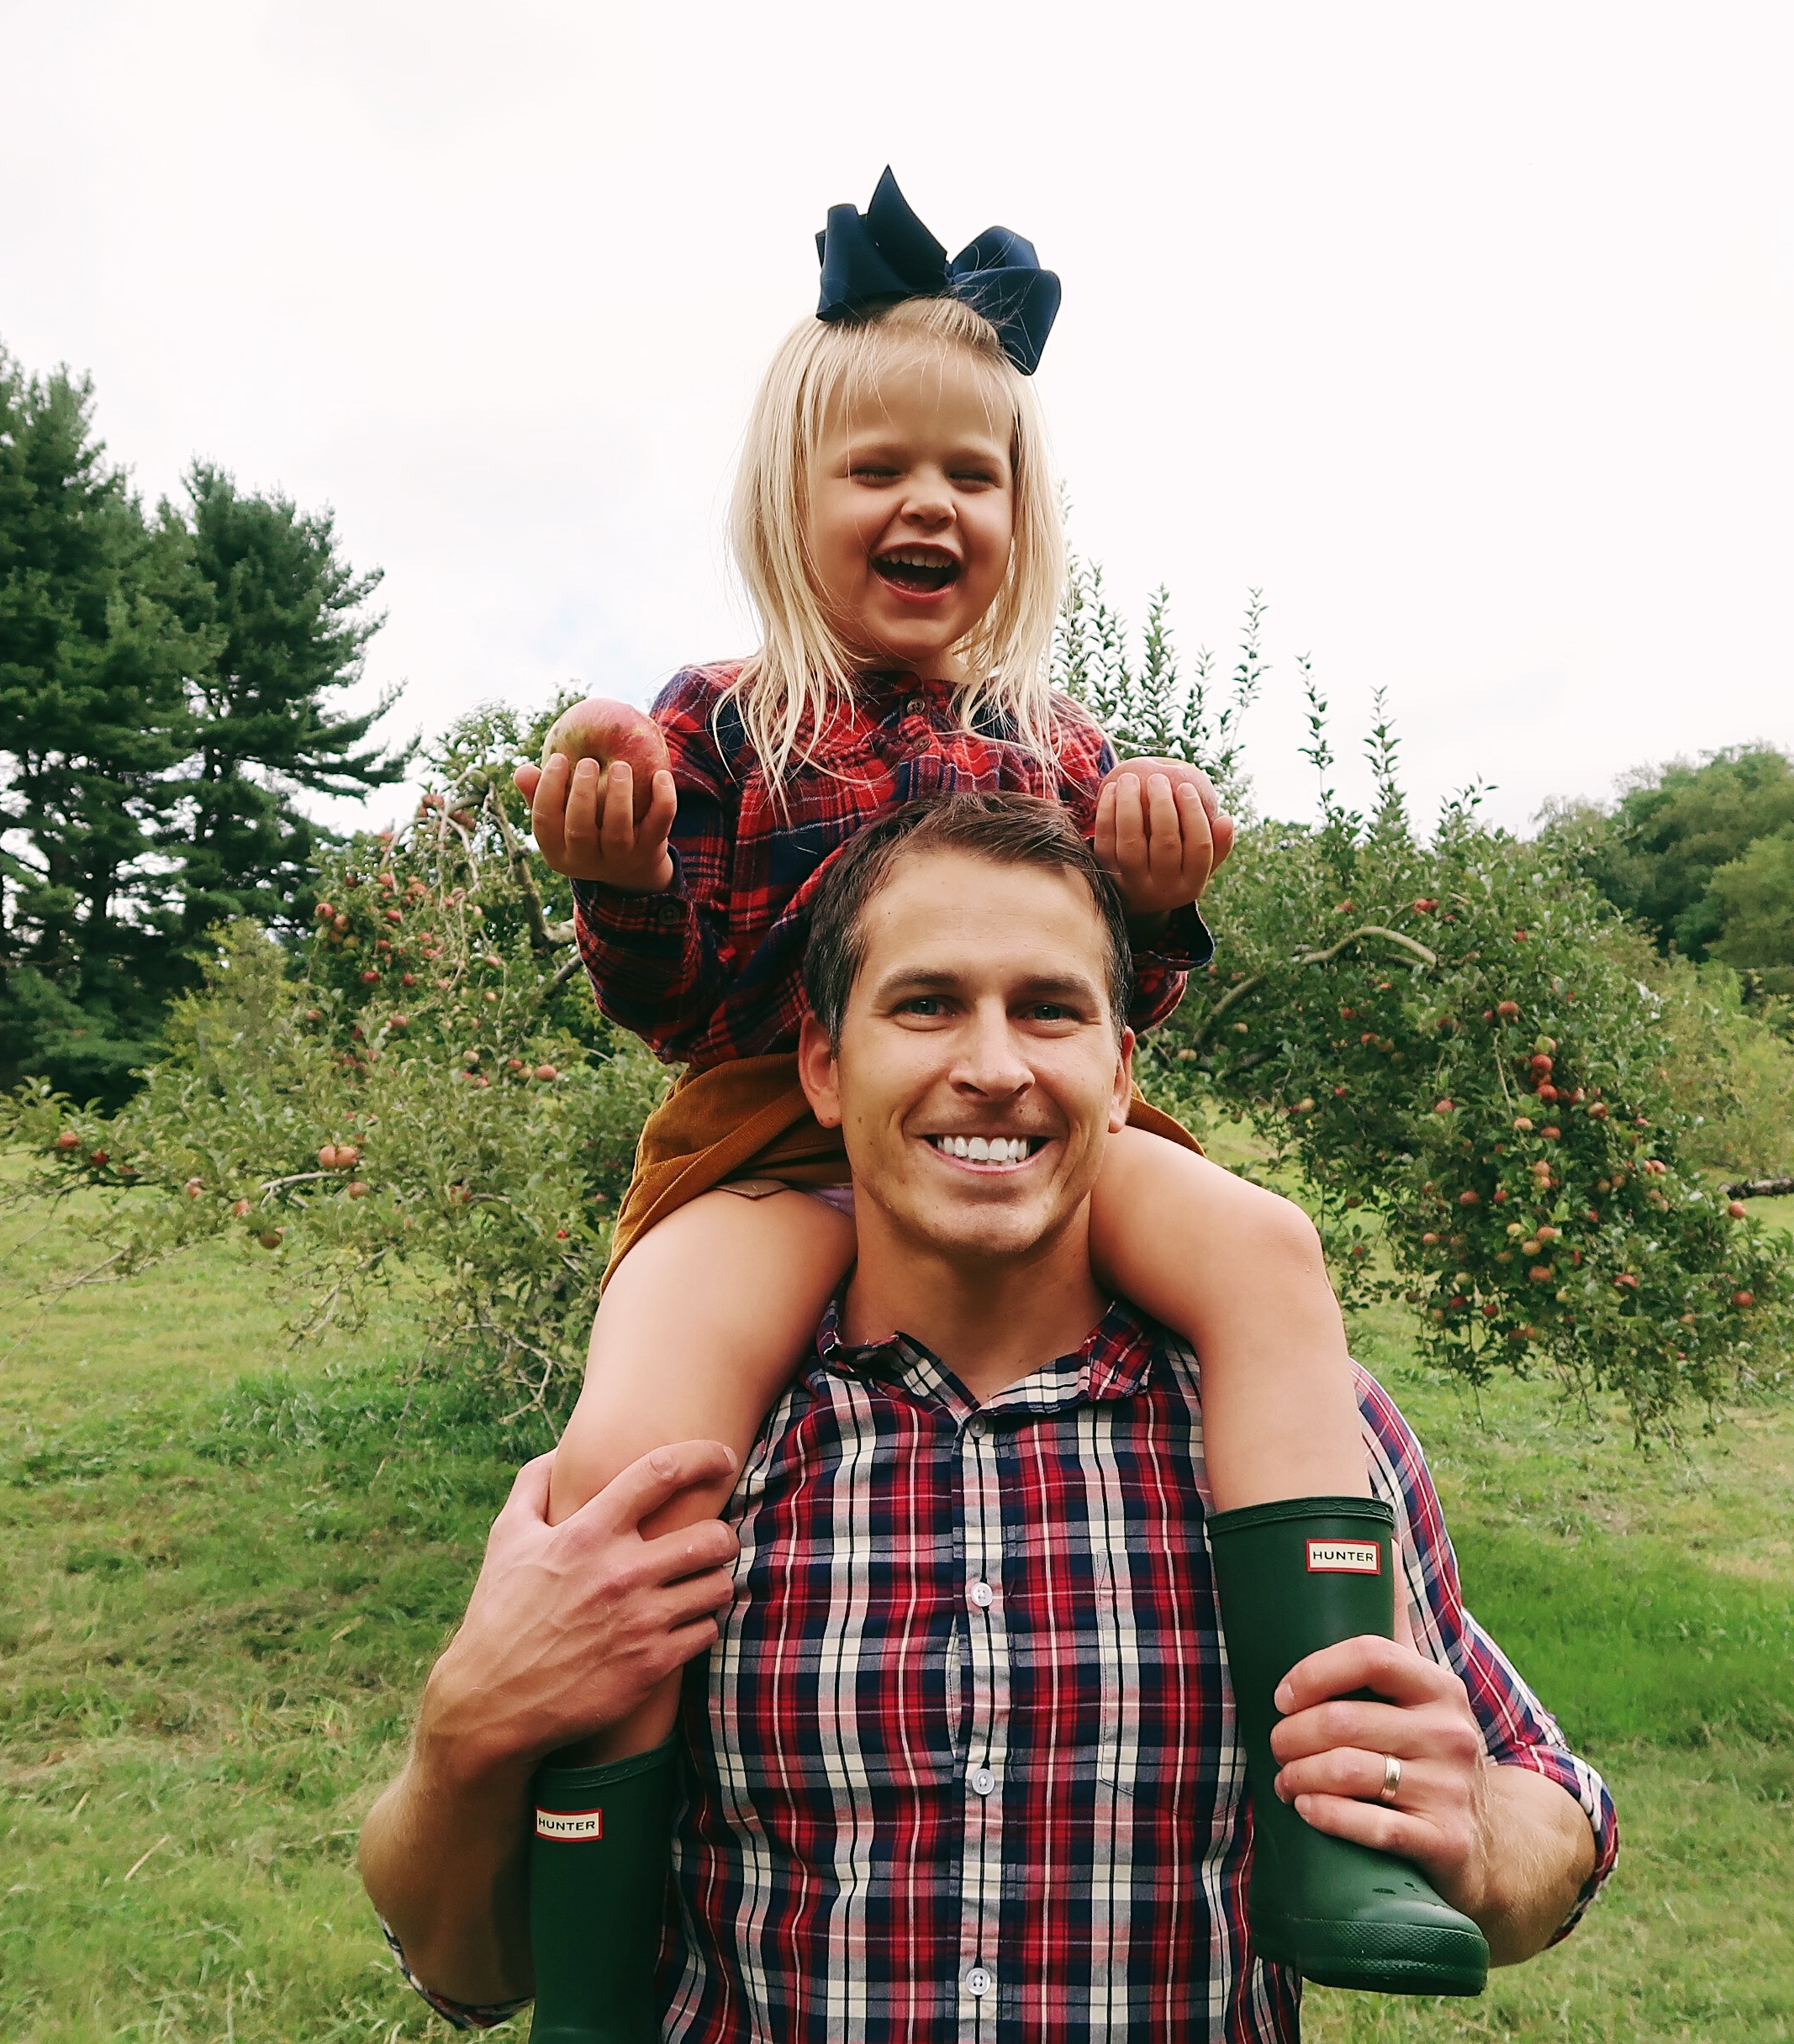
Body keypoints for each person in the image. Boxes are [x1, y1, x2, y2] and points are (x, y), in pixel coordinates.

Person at [506, 170, 1381, 2027]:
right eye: (879, 470)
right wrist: (621, 867)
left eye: (974, 477)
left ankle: (1341, 1819)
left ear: (1023, 517)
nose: (931, 504)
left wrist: (1152, 885)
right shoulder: (723, 723)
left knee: (1266, 1250)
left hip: (1031, 1148)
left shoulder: (1063, 744)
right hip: (771, 1137)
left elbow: (1096, 1021)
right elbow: (668, 1007)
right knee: (644, 1436)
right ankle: (584, 1942)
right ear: (789, 508)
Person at [360, 793, 1619, 2041]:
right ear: (821, 1067)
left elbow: (1556, 1820)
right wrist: (463, 1732)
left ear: (1121, 1073)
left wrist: (1481, 1830)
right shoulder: (692, 1450)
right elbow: (473, 1975)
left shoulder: (1286, 1426)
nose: (996, 1066)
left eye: (1051, 1010)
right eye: (926, 1004)